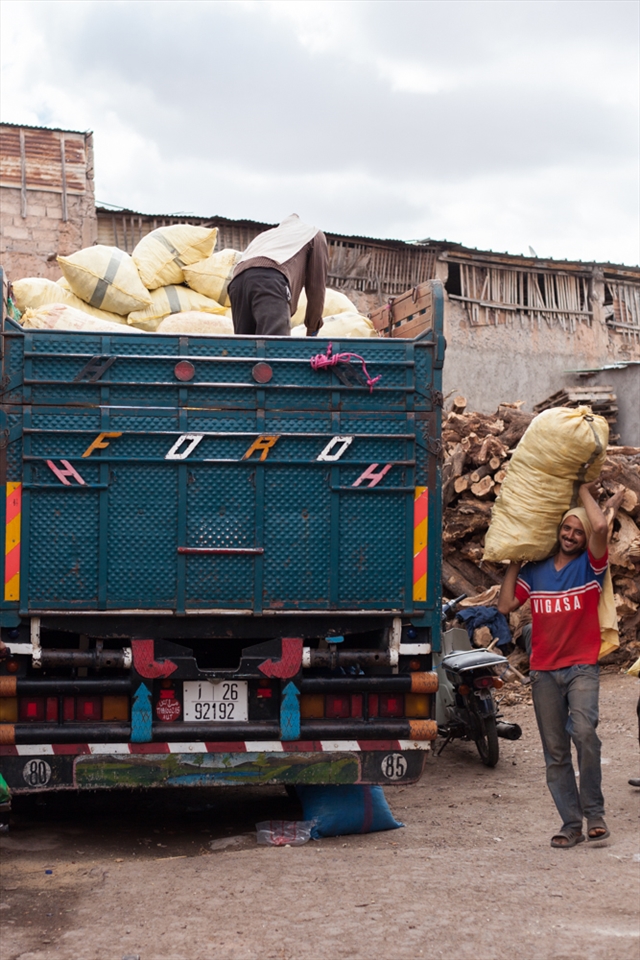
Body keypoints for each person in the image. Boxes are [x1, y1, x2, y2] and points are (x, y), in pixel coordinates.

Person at [498, 482, 611, 849]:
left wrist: (582, 491)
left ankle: (594, 812)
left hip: (581, 667)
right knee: (556, 753)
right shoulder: (536, 572)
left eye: (578, 532)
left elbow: (601, 527)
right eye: (567, 528)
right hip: (543, 671)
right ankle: (571, 823)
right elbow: (504, 606)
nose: (572, 535)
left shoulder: (591, 568)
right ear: (558, 530)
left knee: (584, 733)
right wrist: (515, 561)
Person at [228, 214, 329, 337]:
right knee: (275, 347)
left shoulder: (266, 236)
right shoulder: (314, 234)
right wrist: (312, 331)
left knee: (244, 349)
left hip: (236, 283)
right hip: (269, 280)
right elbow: (316, 288)